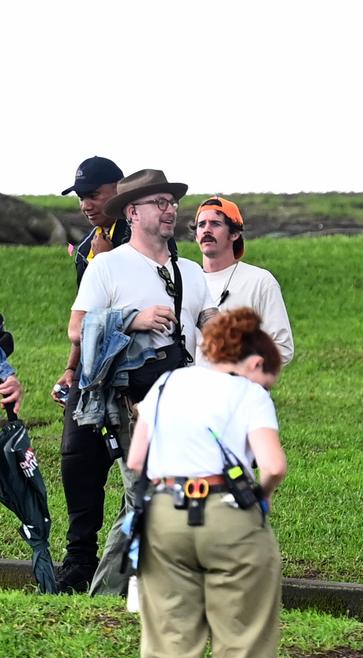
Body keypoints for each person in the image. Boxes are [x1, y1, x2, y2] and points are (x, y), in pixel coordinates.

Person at [125, 308, 286, 658]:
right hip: (230, 518)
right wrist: (257, 496)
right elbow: (272, 466)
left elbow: (137, 462)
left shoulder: (168, 384)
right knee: (242, 636)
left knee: (169, 637)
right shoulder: (249, 394)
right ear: (254, 363)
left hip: (164, 516)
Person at [69, 168, 218, 596]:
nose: (170, 210)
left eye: (172, 203)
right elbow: (77, 328)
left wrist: (233, 338)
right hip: (131, 402)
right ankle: (104, 599)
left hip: (183, 401)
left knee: (153, 498)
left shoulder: (188, 270)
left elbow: (205, 321)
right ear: (133, 212)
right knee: (145, 497)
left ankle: (146, 593)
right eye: (160, 203)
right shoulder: (109, 268)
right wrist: (134, 319)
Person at [53, 156, 133, 594]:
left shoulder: (141, 238)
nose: (86, 204)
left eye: (94, 195)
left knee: (136, 474)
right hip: (88, 374)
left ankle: (125, 567)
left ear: (118, 191)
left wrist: (111, 262)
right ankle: (78, 562)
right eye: (81, 196)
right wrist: (69, 367)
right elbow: (84, 317)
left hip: (132, 375)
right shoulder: (87, 247)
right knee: (77, 460)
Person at [192, 196, 294, 365]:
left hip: (241, 389)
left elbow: (282, 348)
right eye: (201, 225)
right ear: (196, 236)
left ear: (235, 233)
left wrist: (239, 365)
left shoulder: (260, 281)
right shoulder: (188, 281)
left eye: (215, 224)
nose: (206, 230)